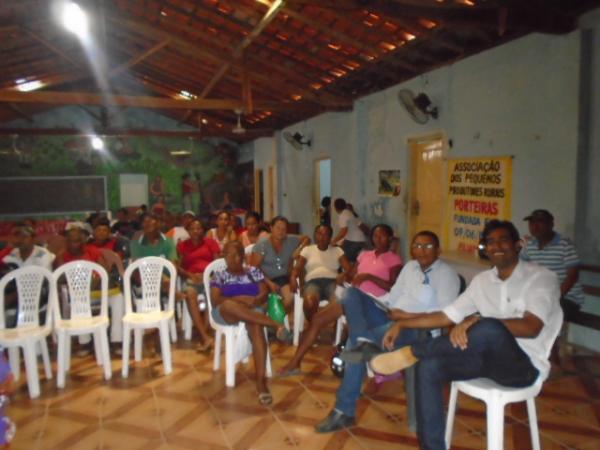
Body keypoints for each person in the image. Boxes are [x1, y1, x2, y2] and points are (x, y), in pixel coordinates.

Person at [369, 220, 562, 450]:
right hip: (483, 361)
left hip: (522, 367)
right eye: (490, 242)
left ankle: (413, 351)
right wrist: (404, 324)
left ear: (518, 245)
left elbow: (532, 327)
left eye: (503, 240)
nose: (496, 246)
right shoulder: (481, 281)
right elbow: (446, 316)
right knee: (428, 367)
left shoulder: (541, 278)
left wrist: (476, 321)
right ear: (484, 248)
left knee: (488, 328)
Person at [315, 230, 460, 433]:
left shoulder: (447, 275)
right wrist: (375, 303)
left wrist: (405, 317)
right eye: (417, 245)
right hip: (390, 317)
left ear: (438, 250)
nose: (421, 250)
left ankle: (344, 411)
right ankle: (363, 339)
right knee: (351, 294)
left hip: (417, 329)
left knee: (353, 348)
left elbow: (444, 315)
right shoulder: (410, 267)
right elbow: (392, 297)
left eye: (427, 246)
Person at [278, 224, 400, 376]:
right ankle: (294, 363)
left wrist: (369, 277)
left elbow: (392, 286)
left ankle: (354, 366)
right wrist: (344, 276)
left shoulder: (394, 259)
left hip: (374, 301)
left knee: (352, 328)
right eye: (375, 236)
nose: (378, 239)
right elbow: (351, 273)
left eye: (382, 236)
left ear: (389, 238)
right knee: (317, 320)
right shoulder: (365, 255)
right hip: (354, 296)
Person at [210, 241, 292, 405]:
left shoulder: (253, 271)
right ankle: (274, 324)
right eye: (227, 255)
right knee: (228, 305)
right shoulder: (219, 275)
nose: (230, 258)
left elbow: (263, 292)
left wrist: (254, 301)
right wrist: (240, 300)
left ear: (241, 256)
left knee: (255, 326)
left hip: (253, 311)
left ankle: (261, 383)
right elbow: (215, 300)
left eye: (233, 254)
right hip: (227, 313)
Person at [520, 209, 584, 320]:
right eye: (531, 223)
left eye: (540, 222)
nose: (535, 226)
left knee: (538, 314)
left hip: (567, 299)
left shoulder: (564, 244)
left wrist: (554, 297)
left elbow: (573, 276)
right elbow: (519, 267)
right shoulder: (530, 245)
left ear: (551, 224)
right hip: (541, 297)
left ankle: (552, 337)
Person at [290, 224, 351, 324]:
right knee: (310, 303)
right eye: (319, 234)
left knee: (339, 302)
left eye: (325, 234)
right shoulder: (308, 250)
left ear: (330, 237)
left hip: (332, 282)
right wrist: (293, 277)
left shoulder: (337, 250)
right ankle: (314, 326)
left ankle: (333, 328)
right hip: (313, 282)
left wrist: (343, 275)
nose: (321, 237)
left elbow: (349, 269)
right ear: (315, 235)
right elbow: (298, 268)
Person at [250, 216, 309, 315]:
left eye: (284, 229)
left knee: (290, 298)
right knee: (264, 301)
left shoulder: (290, 240)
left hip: (282, 278)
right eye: (278, 228)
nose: (281, 231)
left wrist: (300, 249)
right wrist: (269, 283)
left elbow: (307, 238)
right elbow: (253, 268)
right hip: (263, 278)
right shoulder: (262, 245)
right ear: (271, 228)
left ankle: (277, 320)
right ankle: (274, 320)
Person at [176, 218, 219, 351]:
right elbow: (177, 267)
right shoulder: (182, 246)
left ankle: (204, 333)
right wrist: (190, 276)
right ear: (188, 231)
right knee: (190, 293)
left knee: (212, 293)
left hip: (209, 278)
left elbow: (217, 263)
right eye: (192, 228)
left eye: (199, 228)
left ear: (203, 230)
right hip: (191, 279)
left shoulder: (211, 243)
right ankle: (205, 336)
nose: (196, 231)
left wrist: (208, 276)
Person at [331, 198, 366, 263]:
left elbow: (343, 231)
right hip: (359, 240)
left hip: (355, 241)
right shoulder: (348, 213)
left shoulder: (343, 215)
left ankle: (348, 271)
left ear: (335, 208)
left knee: (342, 257)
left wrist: (333, 241)